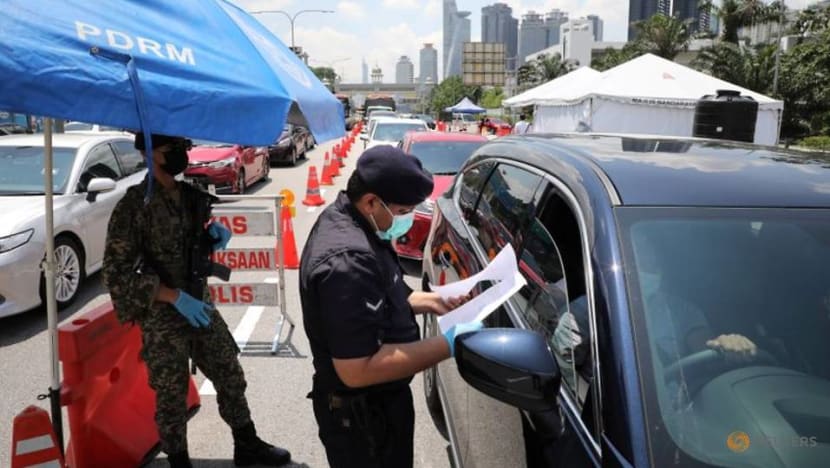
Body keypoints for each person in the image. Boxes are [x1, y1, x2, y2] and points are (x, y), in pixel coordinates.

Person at [102, 133, 291, 468]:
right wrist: (171, 296)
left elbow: (193, 243)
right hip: (162, 316)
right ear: (149, 153)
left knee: (230, 373)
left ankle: (246, 445)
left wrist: (212, 239)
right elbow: (115, 276)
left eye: (184, 148)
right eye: (172, 150)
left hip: (199, 306)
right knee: (171, 395)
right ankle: (179, 460)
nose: (182, 155)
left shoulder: (191, 197)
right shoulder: (133, 207)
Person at [300, 145, 481, 468]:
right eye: (402, 211)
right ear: (371, 201)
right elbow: (357, 370)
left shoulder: (356, 221)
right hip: (363, 419)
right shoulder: (348, 261)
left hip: (378, 407)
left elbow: (383, 294)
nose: (407, 220)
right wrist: (451, 343)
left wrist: (436, 301)